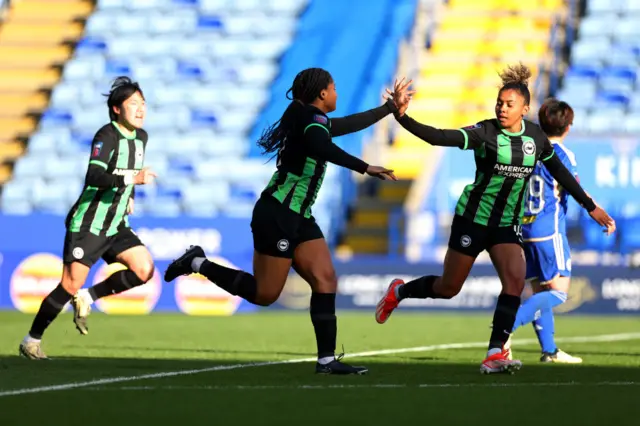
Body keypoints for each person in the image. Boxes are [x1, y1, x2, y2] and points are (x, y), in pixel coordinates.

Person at [164, 68, 409, 375]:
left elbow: (343, 127)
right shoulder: (310, 122)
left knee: (325, 279)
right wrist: (365, 166)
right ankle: (197, 262)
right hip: (277, 214)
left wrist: (389, 109)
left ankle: (326, 361)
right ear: (322, 94)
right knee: (266, 294)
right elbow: (322, 147)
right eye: (333, 89)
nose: (336, 94)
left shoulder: (313, 120)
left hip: (299, 216)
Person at [375, 63, 615, 374]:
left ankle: (494, 353)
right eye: (499, 103)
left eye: (509, 104)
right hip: (473, 221)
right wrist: (402, 116)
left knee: (515, 283)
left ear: (524, 108)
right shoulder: (485, 132)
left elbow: (560, 172)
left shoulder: (536, 138)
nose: (502, 109)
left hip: (506, 225)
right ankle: (400, 291)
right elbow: (438, 137)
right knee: (449, 287)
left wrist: (589, 206)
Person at [19, 76, 158, 360]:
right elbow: (94, 175)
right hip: (89, 224)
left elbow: (126, 174)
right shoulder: (106, 136)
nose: (141, 109)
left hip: (117, 224)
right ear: (117, 108)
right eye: (134, 104)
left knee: (144, 270)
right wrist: (133, 178)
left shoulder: (142, 138)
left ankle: (88, 296)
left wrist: (129, 195)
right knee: (68, 284)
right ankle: (31, 339)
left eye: (143, 103)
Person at [504, 98, 591, 364]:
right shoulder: (563, 155)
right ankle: (504, 328)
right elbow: (574, 189)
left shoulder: (527, 149)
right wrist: (597, 211)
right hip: (548, 231)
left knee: (540, 292)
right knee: (559, 292)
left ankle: (550, 351)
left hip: (524, 229)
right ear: (568, 127)